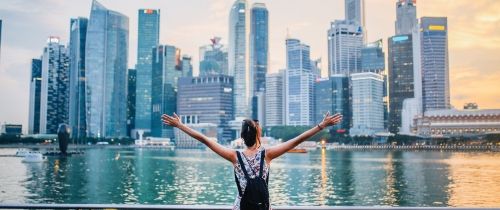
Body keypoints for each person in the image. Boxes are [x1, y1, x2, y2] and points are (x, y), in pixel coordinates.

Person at [161, 112, 342, 210]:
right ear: (258, 134)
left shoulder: (234, 156)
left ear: (241, 137)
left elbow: (205, 140)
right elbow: (297, 140)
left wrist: (180, 125)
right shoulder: (267, 155)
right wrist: (322, 126)